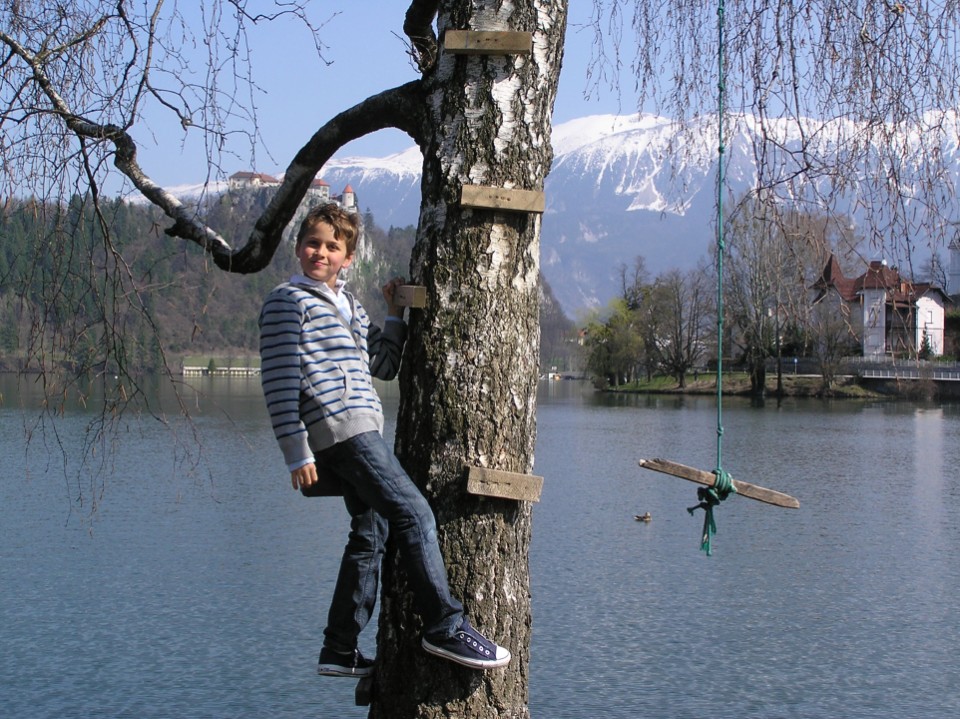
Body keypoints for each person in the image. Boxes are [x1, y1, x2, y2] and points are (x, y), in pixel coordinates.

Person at [259, 203, 511, 678]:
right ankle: (444, 625)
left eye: (332, 246)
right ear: (298, 248)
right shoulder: (286, 302)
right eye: (312, 243)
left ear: (348, 258)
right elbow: (278, 378)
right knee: (414, 512)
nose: (321, 253)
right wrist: (296, 451)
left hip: (363, 427)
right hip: (341, 429)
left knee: (371, 532)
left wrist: (395, 313)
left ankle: (339, 648)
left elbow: (385, 365)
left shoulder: (350, 305)